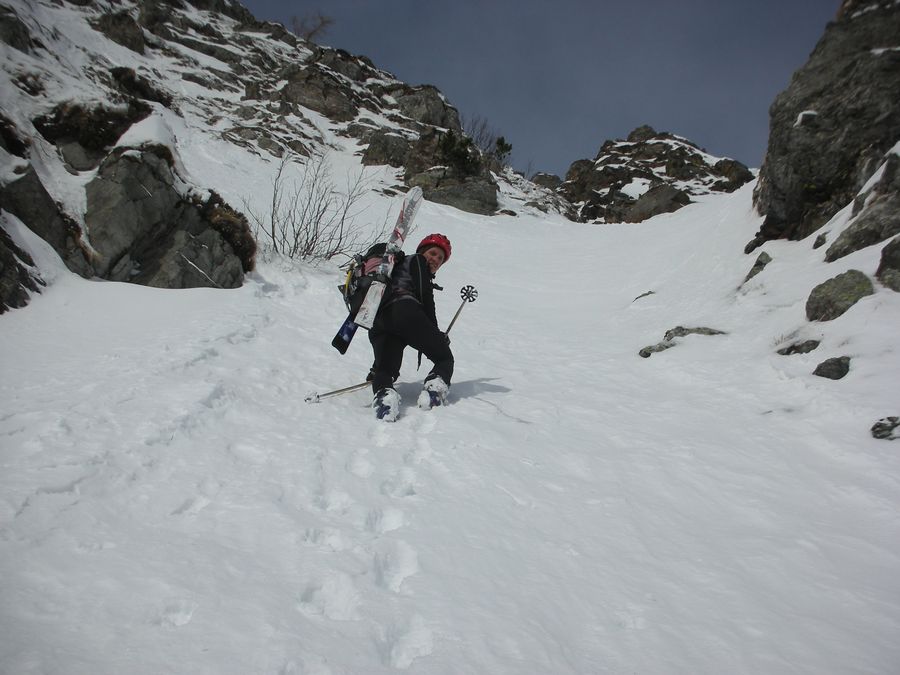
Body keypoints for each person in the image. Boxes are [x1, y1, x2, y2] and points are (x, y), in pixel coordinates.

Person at [368, 233, 453, 421]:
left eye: (440, 258)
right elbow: (425, 300)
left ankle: (384, 398)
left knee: (386, 370)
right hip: (405, 311)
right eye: (433, 253)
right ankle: (433, 392)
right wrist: (436, 335)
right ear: (422, 251)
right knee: (444, 358)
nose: (435, 259)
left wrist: (376, 367)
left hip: (380, 320)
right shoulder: (417, 261)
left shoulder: (396, 268)